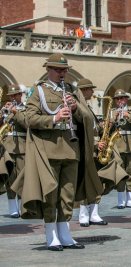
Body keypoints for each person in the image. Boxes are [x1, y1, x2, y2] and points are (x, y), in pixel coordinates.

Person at [12, 53, 103, 251]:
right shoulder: (38, 91)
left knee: (67, 194)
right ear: (48, 70)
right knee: (51, 193)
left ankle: (65, 233)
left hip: (71, 149)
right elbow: (28, 119)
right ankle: (51, 234)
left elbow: (87, 117)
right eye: (58, 70)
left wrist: (76, 107)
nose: (63, 73)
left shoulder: (71, 90)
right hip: (49, 149)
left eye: (65, 70)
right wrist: (53, 119)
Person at [76, 78, 128, 227]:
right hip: (87, 150)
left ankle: (94, 213)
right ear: (83, 90)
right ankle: (83, 214)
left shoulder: (88, 107)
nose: (93, 92)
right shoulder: (78, 108)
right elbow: (79, 132)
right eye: (90, 89)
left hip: (97, 150)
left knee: (97, 182)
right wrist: (95, 144)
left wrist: (107, 125)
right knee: (86, 183)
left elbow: (95, 129)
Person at [2, 84, 27, 218]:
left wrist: (16, 112)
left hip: (22, 147)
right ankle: (13, 207)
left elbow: (28, 124)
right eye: (11, 95)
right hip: (8, 147)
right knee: (9, 178)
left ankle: (23, 206)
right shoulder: (5, 109)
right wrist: (3, 113)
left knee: (22, 177)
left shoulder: (26, 108)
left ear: (20, 95)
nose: (12, 97)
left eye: (15, 95)